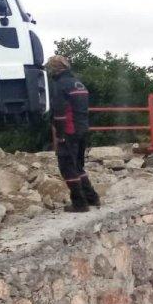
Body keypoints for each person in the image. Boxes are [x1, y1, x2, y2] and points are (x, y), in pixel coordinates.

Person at [45, 55, 99, 212]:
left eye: (49, 68)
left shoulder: (60, 85)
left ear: (54, 68)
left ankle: (79, 204)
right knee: (78, 165)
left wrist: (60, 135)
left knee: (67, 166)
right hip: (82, 129)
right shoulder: (78, 84)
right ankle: (92, 198)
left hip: (69, 130)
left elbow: (60, 113)